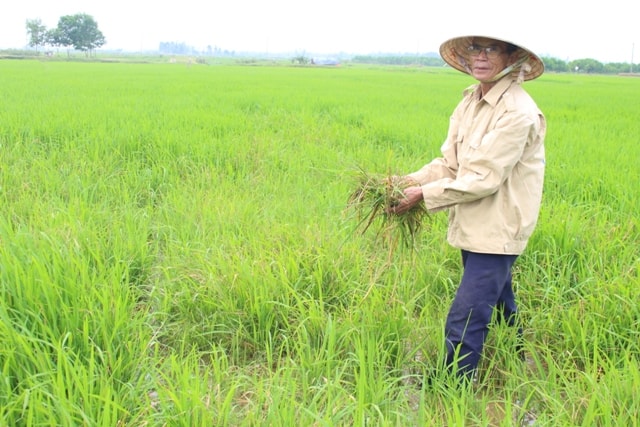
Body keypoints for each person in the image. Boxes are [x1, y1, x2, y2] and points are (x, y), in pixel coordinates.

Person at [390, 35, 546, 383]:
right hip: (475, 223)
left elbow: (483, 178)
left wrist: (421, 195)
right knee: (501, 302)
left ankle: (451, 389)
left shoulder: (517, 112)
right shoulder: (470, 102)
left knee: (467, 313)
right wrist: (406, 180)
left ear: (512, 57)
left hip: (500, 225)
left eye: (492, 49)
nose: (481, 56)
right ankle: (519, 363)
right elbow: (451, 164)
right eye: (476, 48)